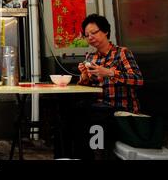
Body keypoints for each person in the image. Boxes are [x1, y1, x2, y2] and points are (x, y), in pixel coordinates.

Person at [57, 14, 144, 159]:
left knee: (83, 119)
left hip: (121, 110)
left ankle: (89, 156)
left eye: (93, 32)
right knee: (66, 116)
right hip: (99, 107)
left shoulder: (121, 53)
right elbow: (88, 85)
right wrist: (84, 77)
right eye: (86, 35)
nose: (90, 37)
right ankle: (66, 157)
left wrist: (110, 72)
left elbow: (138, 80)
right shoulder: (91, 57)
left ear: (105, 32)